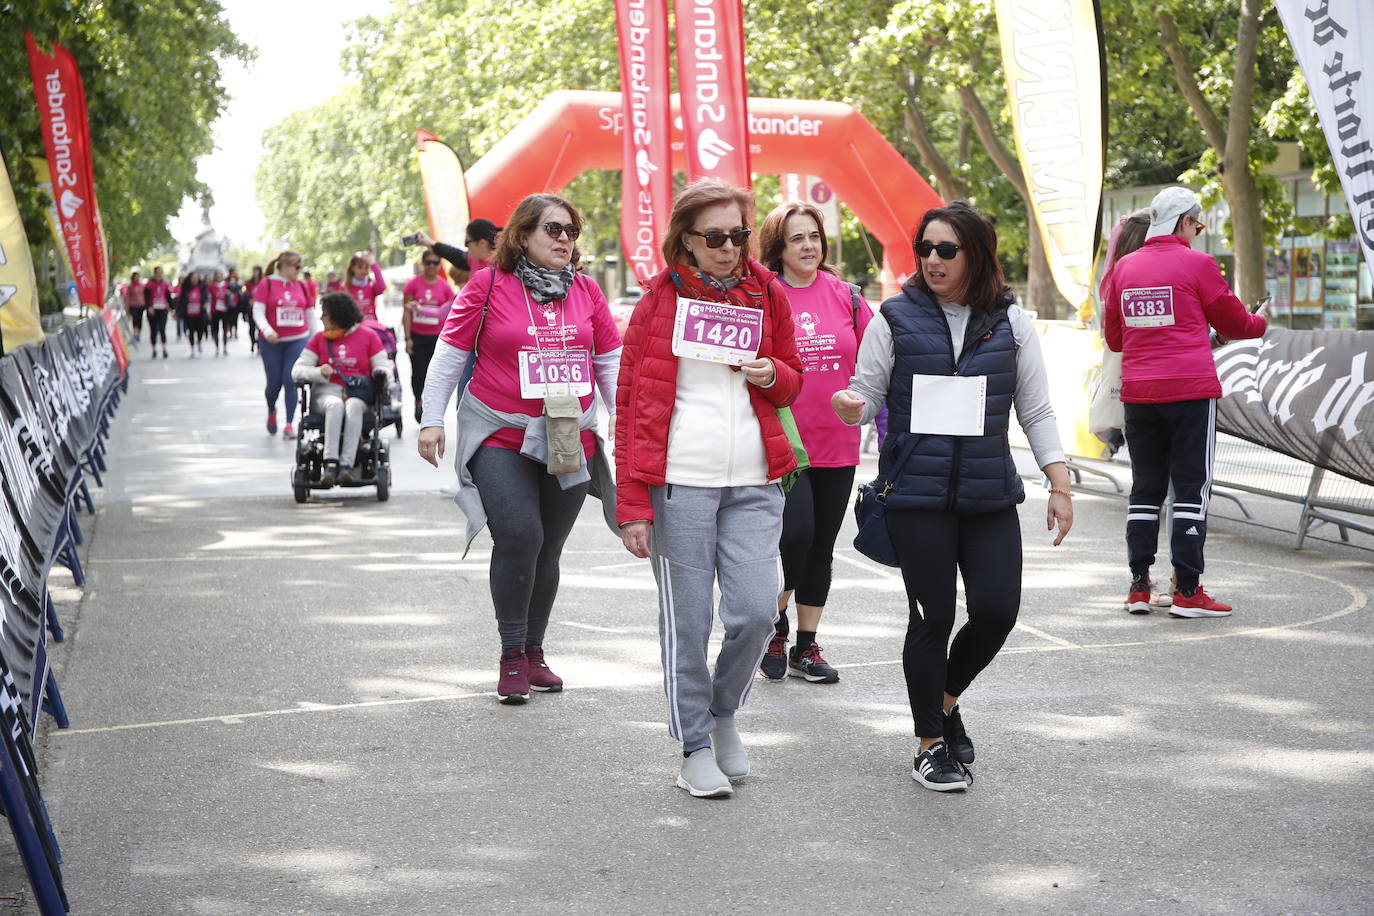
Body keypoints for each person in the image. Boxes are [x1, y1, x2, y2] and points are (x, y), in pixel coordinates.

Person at [832, 201, 1073, 793]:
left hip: (989, 494)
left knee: (997, 612)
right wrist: (849, 406)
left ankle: (944, 698)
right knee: (933, 616)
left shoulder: (1012, 324)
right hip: (916, 494)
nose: (932, 260)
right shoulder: (892, 318)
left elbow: (1035, 407)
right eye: (925, 249)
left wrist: (1059, 480)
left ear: (977, 254)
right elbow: (863, 390)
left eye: (946, 249)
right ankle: (930, 743)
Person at [616, 179, 804, 799]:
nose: (730, 248)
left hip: (755, 479)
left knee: (755, 611)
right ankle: (695, 743)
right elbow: (631, 406)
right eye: (715, 237)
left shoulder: (768, 293)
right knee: (689, 622)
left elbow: (792, 381)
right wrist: (632, 503)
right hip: (680, 485)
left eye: (740, 235)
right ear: (687, 242)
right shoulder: (656, 303)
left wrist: (772, 371)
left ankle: (724, 713)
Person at [417, 194, 621, 706]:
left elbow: (610, 361)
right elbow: (450, 354)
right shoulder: (487, 285)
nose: (564, 239)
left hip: (568, 432)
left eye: (572, 231)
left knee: (549, 544)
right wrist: (430, 420)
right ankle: (510, 654)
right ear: (523, 234)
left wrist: (626, 418)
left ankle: (534, 652)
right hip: (501, 433)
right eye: (553, 229)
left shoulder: (587, 291)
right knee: (519, 533)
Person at [1102, 187, 1267, 618]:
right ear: (1183, 222)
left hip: (1139, 394)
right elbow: (1236, 322)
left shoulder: (1124, 269)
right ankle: (1188, 590)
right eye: (1197, 223)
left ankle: (1139, 586)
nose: (1198, 231)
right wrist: (1261, 320)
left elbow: (1115, 337)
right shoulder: (1198, 264)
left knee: (1145, 488)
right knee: (1191, 488)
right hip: (1190, 392)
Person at [755, 201, 870, 684]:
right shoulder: (763, 294)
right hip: (783, 443)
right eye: (797, 238)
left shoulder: (846, 296)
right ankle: (770, 630)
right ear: (778, 247)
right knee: (793, 537)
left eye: (814, 237)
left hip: (838, 441)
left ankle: (806, 645)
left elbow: (876, 363)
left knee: (821, 545)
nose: (808, 246)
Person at [292, 293, 390, 485]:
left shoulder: (368, 336)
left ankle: (346, 466)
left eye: (325, 315)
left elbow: (385, 366)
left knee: (352, 406)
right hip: (326, 392)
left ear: (338, 316)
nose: (321, 318)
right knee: (334, 405)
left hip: (357, 394)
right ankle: (330, 464)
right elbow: (297, 371)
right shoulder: (319, 339)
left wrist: (379, 371)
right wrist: (319, 372)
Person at [252, 251, 320, 440]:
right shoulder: (267, 283)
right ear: (284, 266)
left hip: (297, 339)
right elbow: (258, 311)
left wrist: (317, 340)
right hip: (272, 342)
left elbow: (310, 314)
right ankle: (271, 409)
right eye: (296, 267)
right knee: (274, 384)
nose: (299, 271)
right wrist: (267, 330)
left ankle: (290, 424)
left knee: (291, 380)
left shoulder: (302, 286)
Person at [402, 248, 456, 422]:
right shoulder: (413, 284)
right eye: (428, 263)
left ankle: (432, 407)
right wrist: (407, 337)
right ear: (422, 264)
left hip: (436, 336)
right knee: (418, 372)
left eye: (435, 263)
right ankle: (418, 401)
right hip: (417, 335)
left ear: (439, 265)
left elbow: (449, 312)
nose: (431, 266)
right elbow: (407, 312)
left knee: (435, 373)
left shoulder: (445, 286)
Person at [408, 218, 501, 275]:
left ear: (482, 243)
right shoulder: (475, 260)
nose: (466, 246)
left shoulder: (503, 267)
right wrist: (430, 243)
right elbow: (455, 255)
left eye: (467, 242)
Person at [343, 251, 387, 321]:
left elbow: (382, 287)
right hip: (354, 328)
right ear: (352, 268)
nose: (363, 271)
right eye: (360, 267)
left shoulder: (371, 286)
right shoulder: (344, 288)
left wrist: (373, 264)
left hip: (371, 327)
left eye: (366, 268)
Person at [176, 271, 210, 357]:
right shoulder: (185, 288)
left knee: (200, 330)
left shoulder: (202, 287)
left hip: (200, 313)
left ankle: (199, 341)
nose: (194, 280)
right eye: (193, 278)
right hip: (189, 314)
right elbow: (181, 300)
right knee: (191, 331)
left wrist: (205, 303)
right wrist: (177, 311)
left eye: (196, 278)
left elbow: (206, 297)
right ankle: (192, 347)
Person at [144, 266, 173, 358]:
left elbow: (168, 297)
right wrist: (149, 307)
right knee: (153, 330)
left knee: (162, 329)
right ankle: (154, 349)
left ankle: (164, 349)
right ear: (155, 273)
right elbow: (146, 297)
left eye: (161, 272)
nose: (160, 274)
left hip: (163, 309)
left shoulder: (165, 284)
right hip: (153, 310)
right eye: (158, 272)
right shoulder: (149, 284)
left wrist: (172, 309)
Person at [209, 270, 231, 356]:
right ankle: (217, 347)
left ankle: (225, 347)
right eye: (217, 276)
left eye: (220, 275)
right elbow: (209, 299)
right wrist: (209, 311)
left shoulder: (226, 285)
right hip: (215, 311)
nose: (218, 277)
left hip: (224, 310)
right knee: (215, 330)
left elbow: (232, 295)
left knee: (225, 329)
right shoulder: (211, 287)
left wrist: (229, 294)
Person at [121, 270, 147, 347]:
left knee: (140, 320)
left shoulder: (142, 286)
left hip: (141, 305)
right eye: (135, 277)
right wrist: (127, 308)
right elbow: (128, 297)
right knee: (135, 319)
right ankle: (135, 334)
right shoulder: (130, 286)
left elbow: (145, 296)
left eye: (138, 277)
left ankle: (138, 334)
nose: (137, 278)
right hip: (133, 305)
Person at [242, 265, 263, 352]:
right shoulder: (248, 283)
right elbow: (245, 294)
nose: (255, 273)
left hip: (261, 310)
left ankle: (259, 344)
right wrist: (249, 300)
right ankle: (253, 342)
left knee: (260, 328)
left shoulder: (263, 282)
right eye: (254, 271)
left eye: (257, 271)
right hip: (251, 309)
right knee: (251, 328)